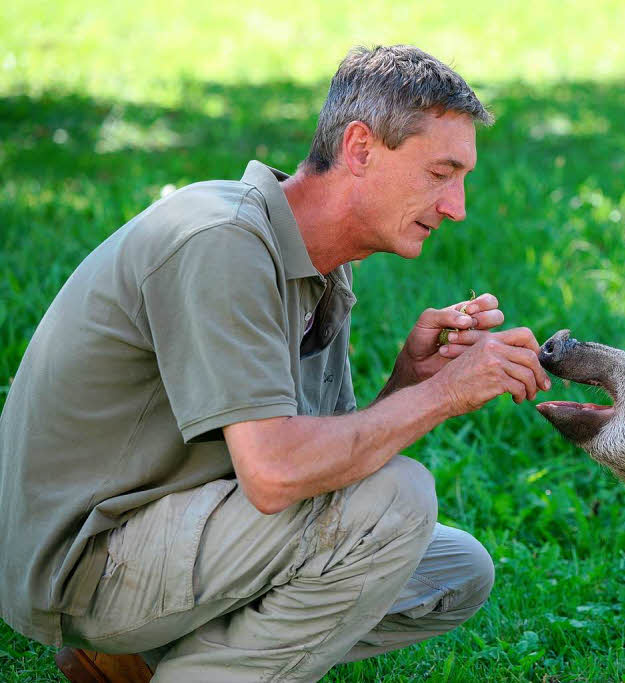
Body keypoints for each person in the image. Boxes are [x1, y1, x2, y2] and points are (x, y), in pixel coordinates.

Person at [0, 45, 551, 682]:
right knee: (399, 503)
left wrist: (410, 381)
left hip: (162, 526)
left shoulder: (319, 262)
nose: (457, 206)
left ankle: (136, 661)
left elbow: (321, 475)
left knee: (454, 571)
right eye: (440, 173)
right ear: (361, 148)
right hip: (81, 562)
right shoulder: (222, 243)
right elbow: (277, 474)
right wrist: (444, 395)